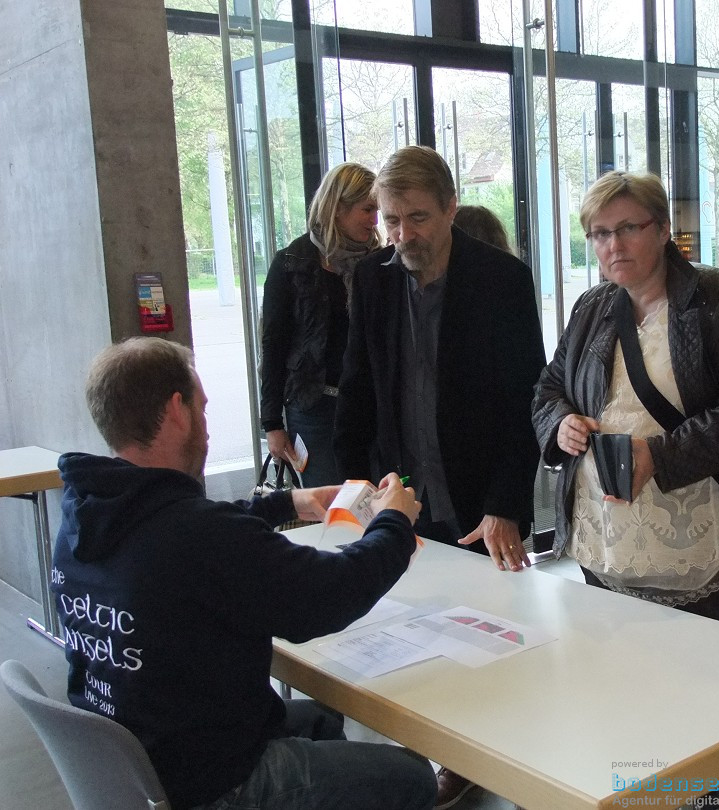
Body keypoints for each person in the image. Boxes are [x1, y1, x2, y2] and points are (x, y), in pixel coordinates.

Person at [52, 337, 435, 810]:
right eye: (203, 408)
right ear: (177, 411)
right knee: (413, 779)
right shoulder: (194, 534)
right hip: (213, 782)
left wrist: (288, 501)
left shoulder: (85, 513)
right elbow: (328, 596)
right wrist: (393, 522)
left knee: (321, 721)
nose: (208, 430)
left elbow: (184, 528)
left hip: (141, 764)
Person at [532, 170, 719, 808]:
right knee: (626, 695)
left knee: (703, 699)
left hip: (694, 533)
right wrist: (560, 422)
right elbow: (548, 387)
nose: (612, 244)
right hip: (607, 539)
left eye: (627, 228)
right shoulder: (592, 307)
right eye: (598, 233)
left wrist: (661, 457)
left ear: (664, 229)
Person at [332, 146, 546, 809]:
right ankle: (430, 749)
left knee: (486, 635)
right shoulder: (372, 280)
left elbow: (526, 404)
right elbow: (358, 389)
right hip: (406, 496)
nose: (403, 236)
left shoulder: (500, 280)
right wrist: (355, 490)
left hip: (481, 500)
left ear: (452, 207)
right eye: (392, 221)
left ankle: (479, 756)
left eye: (418, 218)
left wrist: (507, 503)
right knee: (416, 632)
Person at [260, 162, 381, 487]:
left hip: (369, 407)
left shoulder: (380, 263)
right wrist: (272, 423)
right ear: (338, 208)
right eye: (367, 209)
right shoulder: (291, 264)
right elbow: (273, 346)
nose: (375, 221)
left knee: (375, 505)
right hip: (313, 408)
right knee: (331, 509)